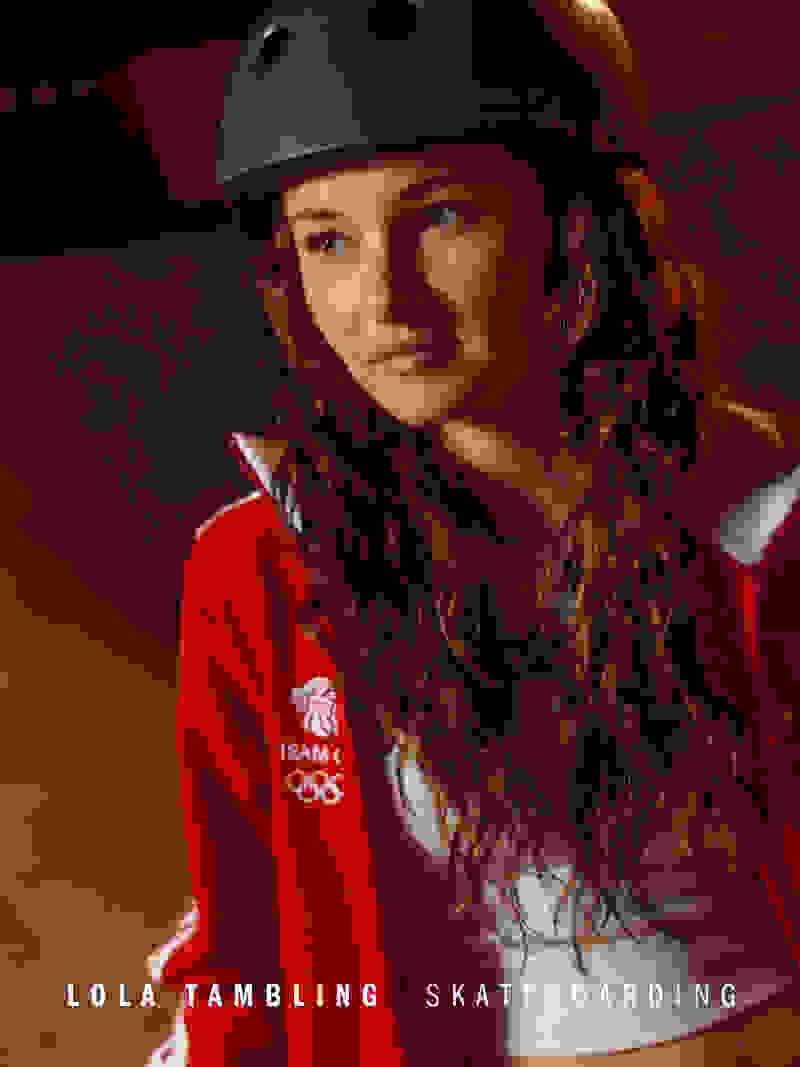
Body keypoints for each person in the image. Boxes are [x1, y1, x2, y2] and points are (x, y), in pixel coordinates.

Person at [146, 2, 800, 1064]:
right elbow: (248, 947)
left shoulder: (772, 522)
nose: (379, 299)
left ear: (590, 217)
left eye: (441, 218)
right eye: (327, 241)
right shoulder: (260, 566)